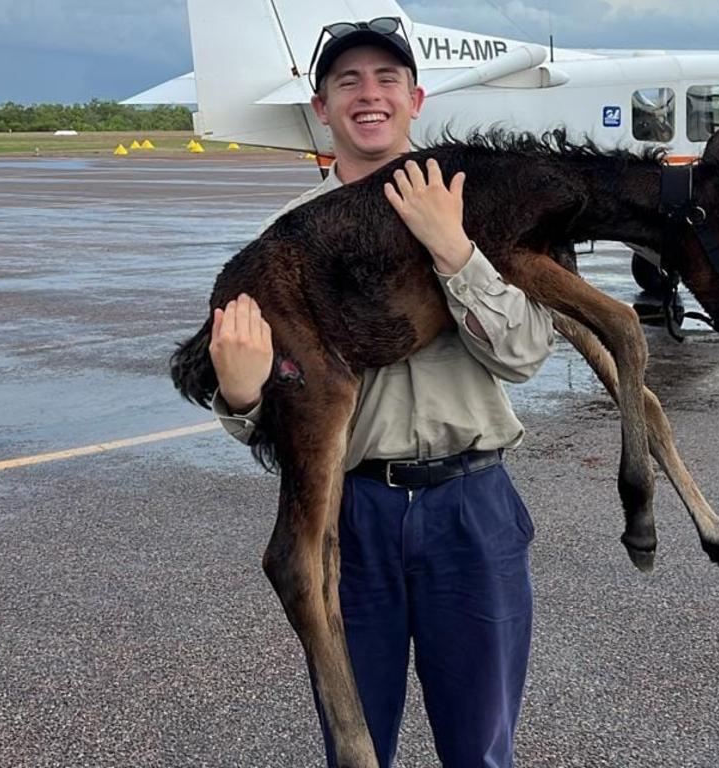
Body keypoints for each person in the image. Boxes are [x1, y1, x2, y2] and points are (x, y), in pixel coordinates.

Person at [206, 17, 554, 768]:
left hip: (473, 508)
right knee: (357, 751)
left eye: (387, 79)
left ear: (416, 98)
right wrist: (238, 398)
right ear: (321, 107)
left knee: (483, 750)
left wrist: (453, 249)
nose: (370, 95)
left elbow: (525, 354)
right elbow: (274, 419)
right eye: (348, 82)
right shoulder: (279, 244)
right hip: (349, 517)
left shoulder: (481, 210)